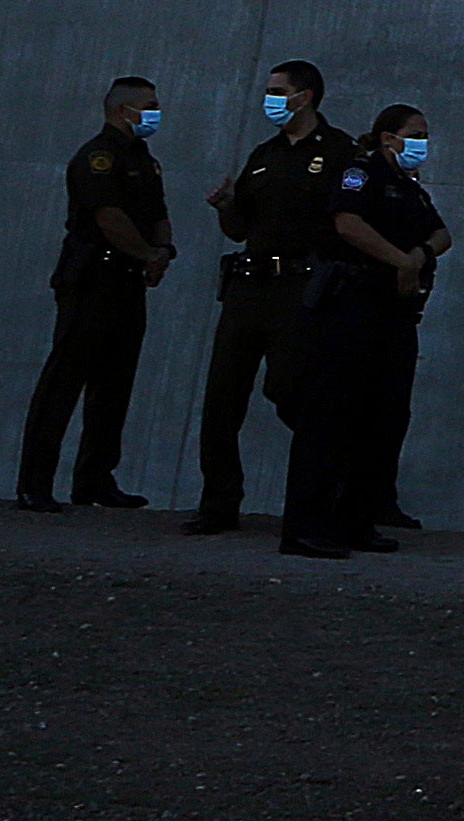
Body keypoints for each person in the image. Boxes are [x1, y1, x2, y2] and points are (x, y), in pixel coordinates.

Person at [187, 59, 357, 534]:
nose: (270, 100)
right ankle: (219, 503)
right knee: (223, 395)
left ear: (304, 96)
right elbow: (241, 227)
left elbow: (350, 221)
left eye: (278, 91)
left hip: (300, 288)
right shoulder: (265, 154)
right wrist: (225, 206)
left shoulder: (340, 152)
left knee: (288, 389)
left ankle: (333, 483)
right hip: (249, 287)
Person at [281, 105, 444, 561]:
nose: (422, 142)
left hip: (394, 313)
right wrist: (401, 261)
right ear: (388, 137)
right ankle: (307, 526)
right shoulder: (361, 171)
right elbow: (348, 224)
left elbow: (441, 234)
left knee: (383, 418)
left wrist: (417, 255)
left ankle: (356, 520)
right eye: (416, 133)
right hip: (353, 304)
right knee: (331, 416)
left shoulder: (410, 189)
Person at [19, 75, 171, 510]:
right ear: (123, 110)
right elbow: (110, 218)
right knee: (65, 380)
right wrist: (147, 255)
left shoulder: (145, 159)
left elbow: (158, 213)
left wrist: (161, 253)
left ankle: (95, 480)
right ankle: (35, 484)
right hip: (92, 281)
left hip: (127, 280)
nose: (156, 113)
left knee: (114, 384)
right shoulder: (98, 158)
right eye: (150, 105)